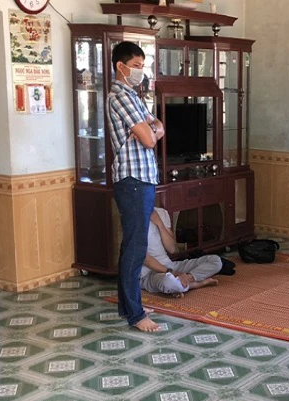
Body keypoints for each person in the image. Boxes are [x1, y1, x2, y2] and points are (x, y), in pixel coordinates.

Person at [107, 41, 164, 332]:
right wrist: (151, 131)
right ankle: (136, 315)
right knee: (135, 246)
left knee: (133, 244)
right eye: (136, 66)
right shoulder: (120, 96)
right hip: (132, 180)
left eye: (142, 66)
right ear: (121, 66)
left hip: (142, 178)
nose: (141, 71)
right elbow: (150, 139)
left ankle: (128, 305)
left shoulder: (133, 96)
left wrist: (151, 130)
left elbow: (158, 125)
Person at [141, 207, 221, 296]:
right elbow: (144, 258)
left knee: (215, 261)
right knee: (168, 282)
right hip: (148, 274)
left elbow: (172, 249)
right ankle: (195, 284)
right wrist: (171, 272)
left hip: (169, 265)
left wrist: (159, 223)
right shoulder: (132, 217)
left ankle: (187, 280)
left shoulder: (161, 212)